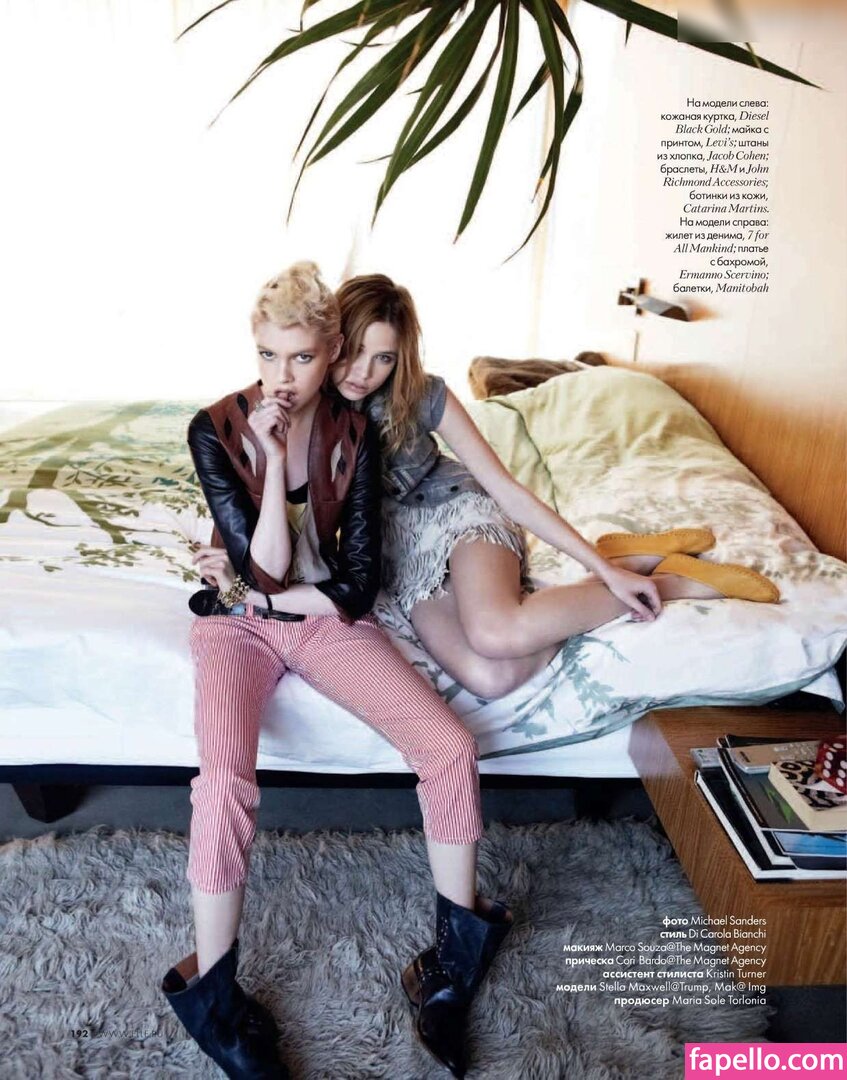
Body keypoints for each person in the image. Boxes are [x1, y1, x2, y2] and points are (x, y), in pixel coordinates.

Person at [159, 262, 513, 1080]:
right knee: (223, 782)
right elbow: (264, 571)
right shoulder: (214, 429)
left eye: (300, 357)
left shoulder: (358, 434)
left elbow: (353, 587)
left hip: (320, 622)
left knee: (450, 748)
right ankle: (215, 1001)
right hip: (237, 629)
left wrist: (261, 586)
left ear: (330, 352)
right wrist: (269, 460)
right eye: (266, 355)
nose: (280, 377)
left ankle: (450, 968)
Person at [332, 273, 781, 700]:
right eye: (356, 350)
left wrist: (601, 571)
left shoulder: (423, 394)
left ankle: (668, 583)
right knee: (492, 677)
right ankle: (626, 559)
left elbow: (506, 488)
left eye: (384, 358)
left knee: (497, 633)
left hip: (459, 516)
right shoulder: (311, 406)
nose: (364, 372)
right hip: (402, 555)